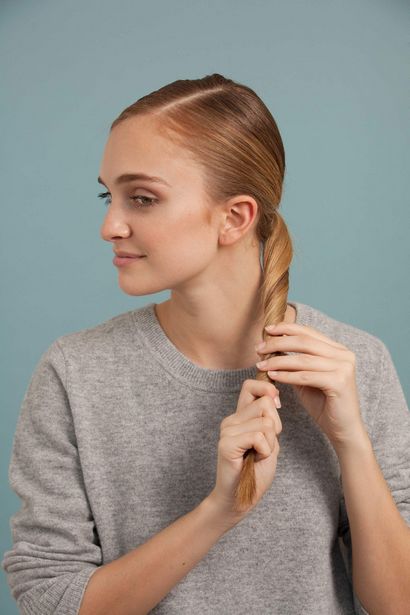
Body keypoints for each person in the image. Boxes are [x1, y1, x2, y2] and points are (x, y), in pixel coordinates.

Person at [2, 73, 409, 615]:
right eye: (109, 195)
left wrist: (351, 441)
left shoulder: (354, 367)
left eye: (142, 198)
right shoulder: (75, 373)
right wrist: (219, 510)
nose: (109, 225)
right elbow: (49, 601)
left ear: (234, 217)